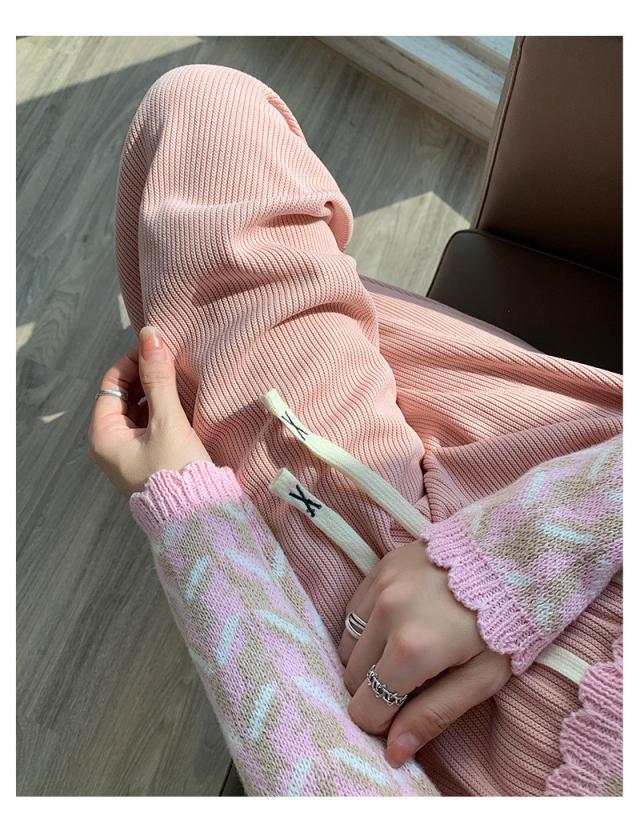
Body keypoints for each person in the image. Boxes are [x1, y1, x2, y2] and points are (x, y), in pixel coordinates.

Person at [89, 64, 622, 796]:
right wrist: (509, 567)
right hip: (579, 479)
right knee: (207, 130)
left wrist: (196, 523)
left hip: (401, 722)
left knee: (195, 125)